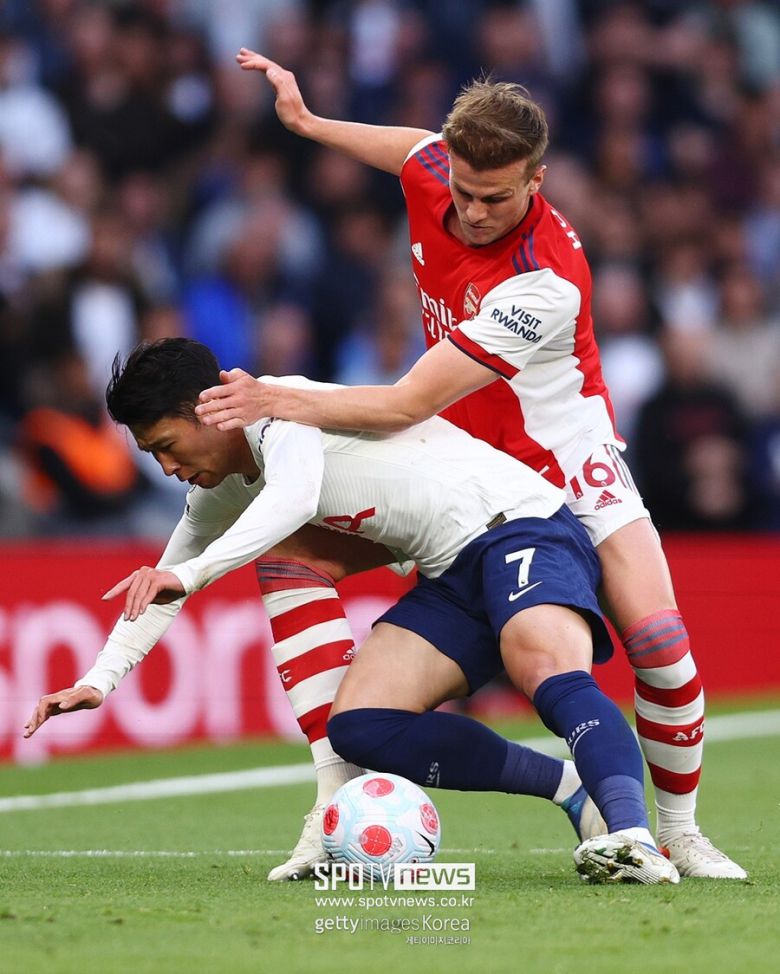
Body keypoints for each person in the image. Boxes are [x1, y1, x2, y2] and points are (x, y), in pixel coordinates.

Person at [193, 49, 747, 879]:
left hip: (561, 463)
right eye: (464, 191)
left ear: (537, 179)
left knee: (659, 641)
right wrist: (309, 123)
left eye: (498, 197)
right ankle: (331, 799)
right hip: (461, 463)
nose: (477, 212)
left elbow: (405, 403)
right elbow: (408, 148)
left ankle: (680, 832)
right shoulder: (436, 171)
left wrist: (276, 397)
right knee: (291, 558)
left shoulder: (545, 278)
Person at [24, 337, 678, 886]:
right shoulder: (218, 490)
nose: (167, 467)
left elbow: (293, 500)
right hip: (449, 573)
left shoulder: (282, 412)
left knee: (541, 665)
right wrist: (98, 680)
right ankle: (572, 790)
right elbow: (164, 590)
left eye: (168, 444)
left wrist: (190, 572)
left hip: (519, 524)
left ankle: (632, 837)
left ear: (211, 410)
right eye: (152, 455)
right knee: (362, 726)